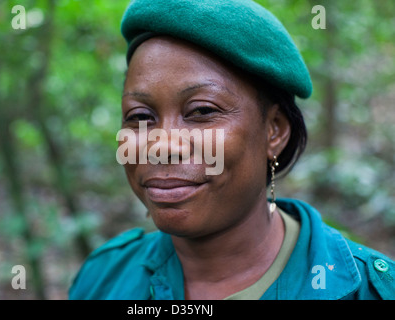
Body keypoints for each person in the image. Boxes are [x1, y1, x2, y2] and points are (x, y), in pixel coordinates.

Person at [69, 0, 394, 300]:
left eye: (201, 111)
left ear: (274, 130)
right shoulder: (103, 278)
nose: (161, 146)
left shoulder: (368, 290)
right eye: (140, 116)